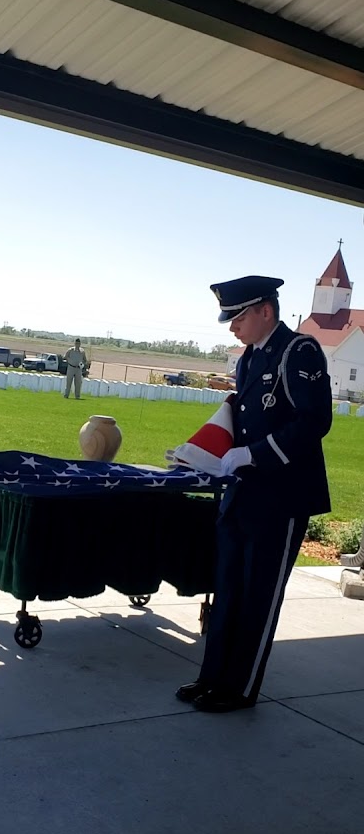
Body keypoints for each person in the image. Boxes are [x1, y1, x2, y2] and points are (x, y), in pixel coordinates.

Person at [176, 275, 332, 713]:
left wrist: (253, 454)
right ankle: (213, 678)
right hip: (243, 494)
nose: (231, 327)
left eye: (238, 317)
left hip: (280, 497)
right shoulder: (249, 360)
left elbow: (314, 421)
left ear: (266, 310)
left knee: (258, 596)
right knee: (228, 590)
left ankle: (239, 689)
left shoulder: (298, 351)